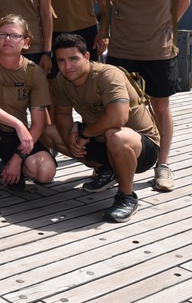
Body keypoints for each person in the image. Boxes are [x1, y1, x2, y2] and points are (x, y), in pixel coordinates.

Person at [95, 0, 191, 193]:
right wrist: (109, 27)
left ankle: (162, 164)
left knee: (160, 106)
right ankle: (111, 163)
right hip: (122, 48)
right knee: (116, 108)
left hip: (159, 49)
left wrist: (162, 25)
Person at [52, 33, 161, 222]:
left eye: (73, 59)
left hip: (141, 145)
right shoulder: (62, 80)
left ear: (87, 57)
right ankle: (107, 169)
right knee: (50, 133)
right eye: (61, 60)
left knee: (116, 136)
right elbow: (62, 114)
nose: (67, 66)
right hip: (101, 138)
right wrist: (71, 141)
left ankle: (126, 197)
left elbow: (118, 117)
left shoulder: (107, 74)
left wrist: (84, 134)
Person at [0, 15, 56, 218]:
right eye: (3, 34)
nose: (7, 39)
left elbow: (39, 124)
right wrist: (18, 123)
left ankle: (12, 167)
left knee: (45, 171)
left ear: (26, 42)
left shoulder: (34, 73)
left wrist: (17, 158)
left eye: (15, 35)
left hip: (14, 137)